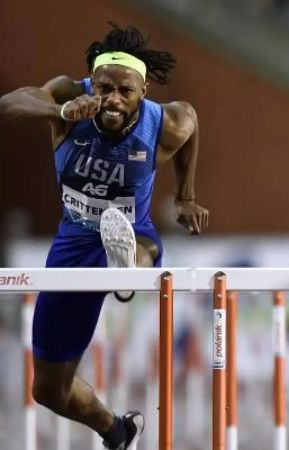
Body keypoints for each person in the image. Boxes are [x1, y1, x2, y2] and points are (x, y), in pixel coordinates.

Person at [0, 23, 209, 449]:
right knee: (48, 391)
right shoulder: (67, 95)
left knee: (138, 252)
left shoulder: (166, 121)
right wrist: (61, 112)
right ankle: (117, 430)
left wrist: (186, 196)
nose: (112, 100)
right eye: (103, 88)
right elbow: (9, 104)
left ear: (144, 90)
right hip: (73, 242)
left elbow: (191, 127)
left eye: (125, 92)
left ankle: (125, 269)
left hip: (135, 231)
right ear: (90, 83)